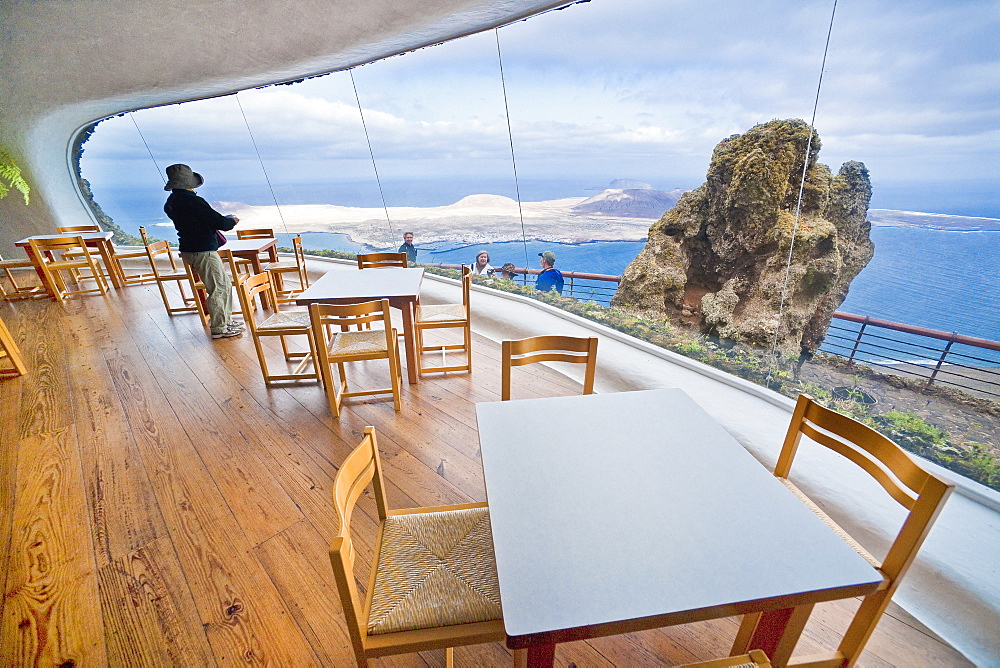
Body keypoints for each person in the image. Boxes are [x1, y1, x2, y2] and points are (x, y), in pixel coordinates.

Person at [162, 163, 243, 339]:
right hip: (203, 250)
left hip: (190, 248)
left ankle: (226, 321)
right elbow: (219, 222)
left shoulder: (171, 202)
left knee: (223, 285)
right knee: (218, 288)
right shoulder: (193, 201)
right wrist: (231, 221)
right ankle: (220, 327)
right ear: (189, 182)